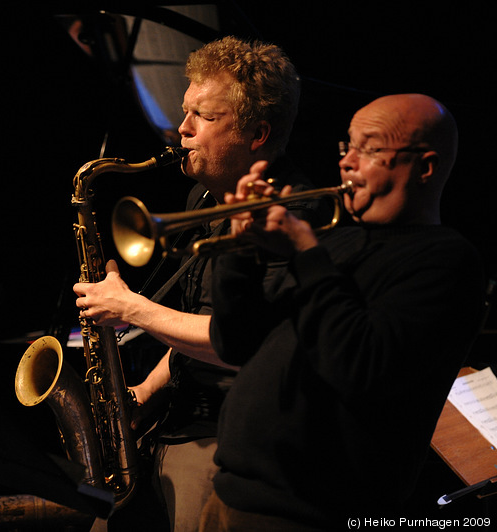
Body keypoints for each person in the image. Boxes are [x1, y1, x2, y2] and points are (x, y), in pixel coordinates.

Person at [202, 94, 485, 530]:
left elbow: (360, 366)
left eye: (369, 149)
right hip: (230, 496)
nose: (347, 163)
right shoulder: (337, 244)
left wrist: (305, 253)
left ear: (425, 167)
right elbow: (236, 343)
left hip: (312, 515)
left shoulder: (447, 262)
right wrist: (242, 250)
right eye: (346, 147)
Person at [73, 36, 319, 531]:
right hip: (173, 425)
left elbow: (239, 343)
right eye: (185, 112)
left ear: (257, 133)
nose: (180, 129)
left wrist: (134, 308)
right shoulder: (201, 198)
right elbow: (198, 318)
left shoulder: (293, 218)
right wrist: (145, 392)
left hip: (227, 444)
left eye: (202, 117)